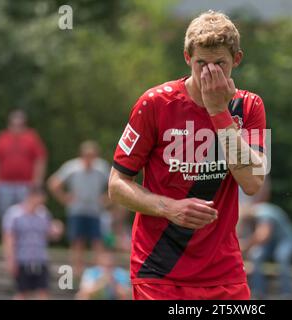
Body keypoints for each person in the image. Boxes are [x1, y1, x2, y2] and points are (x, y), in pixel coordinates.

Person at [108, 10, 267, 300]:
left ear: (237, 60)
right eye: (201, 64)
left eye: (220, 64)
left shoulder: (249, 106)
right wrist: (169, 208)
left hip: (223, 271)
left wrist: (219, 112)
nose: (209, 73)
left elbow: (253, 183)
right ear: (186, 58)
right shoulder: (154, 103)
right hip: (159, 269)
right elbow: (117, 186)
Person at [48, 140, 110, 278]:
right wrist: (64, 198)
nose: (90, 158)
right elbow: (53, 183)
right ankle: (77, 272)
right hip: (76, 211)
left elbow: (114, 185)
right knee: (77, 242)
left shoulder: (102, 168)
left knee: (97, 241)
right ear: (82, 155)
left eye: (92, 155)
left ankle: (100, 273)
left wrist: (106, 199)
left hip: (95, 210)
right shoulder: (72, 167)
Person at [1, 187, 63, 299]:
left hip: (41, 259)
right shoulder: (14, 214)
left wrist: (57, 230)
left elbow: (50, 234)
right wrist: (10, 260)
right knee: (22, 293)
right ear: (31, 197)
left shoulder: (43, 214)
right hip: (22, 260)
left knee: (44, 292)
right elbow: (9, 239)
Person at [0, 110, 47, 223]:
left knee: (26, 214)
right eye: (14, 124)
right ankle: (7, 240)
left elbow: (40, 159)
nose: (17, 127)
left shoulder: (32, 138)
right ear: (9, 124)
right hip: (4, 184)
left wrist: (37, 181)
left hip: (26, 184)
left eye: (20, 124)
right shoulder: (2, 138)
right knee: (5, 215)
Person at [239, 202, 292, 299]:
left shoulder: (264, 213)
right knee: (256, 255)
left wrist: (245, 245)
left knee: (282, 256)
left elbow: (263, 236)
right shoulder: (255, 214)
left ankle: (287, 294)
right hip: (271, 242)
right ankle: (258, 292)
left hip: (286, 240)